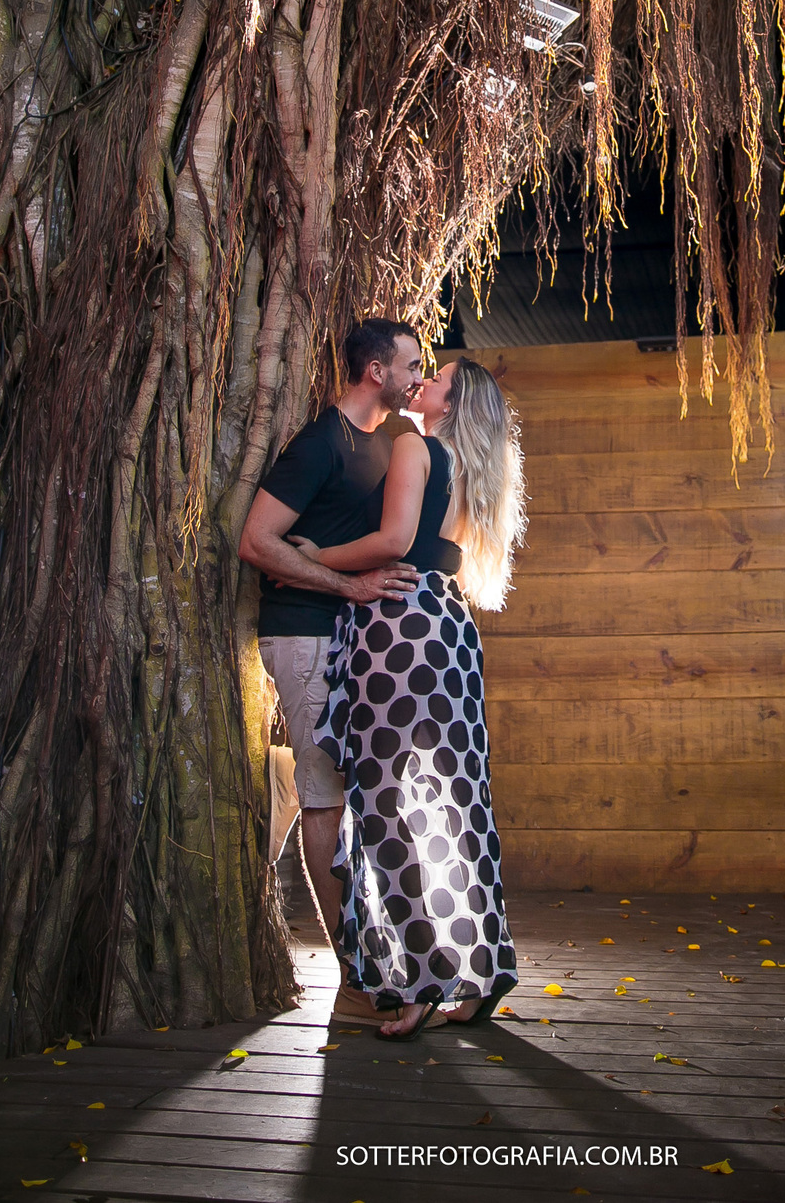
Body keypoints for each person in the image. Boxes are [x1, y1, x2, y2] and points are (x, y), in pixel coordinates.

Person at [305, 356, 526, 1040]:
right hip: (450, 627)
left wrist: (313, 556)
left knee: (390, 802)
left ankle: (419, 981)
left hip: (399, 625)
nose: (422, 382)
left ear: (449, 403)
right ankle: (481, 971)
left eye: (436, 379)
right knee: (459, 803)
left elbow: (394, 543)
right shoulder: (477, 468)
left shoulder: (415, 446)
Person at [239, 318, 424, 1022]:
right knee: (324, 794)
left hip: (350, 635)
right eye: (410, 364)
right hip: (303, 634)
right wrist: (345, 585)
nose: (416, 374)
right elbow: (257, 541)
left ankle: (380, 956)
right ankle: (350, 981)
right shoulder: (319, 444)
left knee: (354, 792)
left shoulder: (388, 445)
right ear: (376, 371)